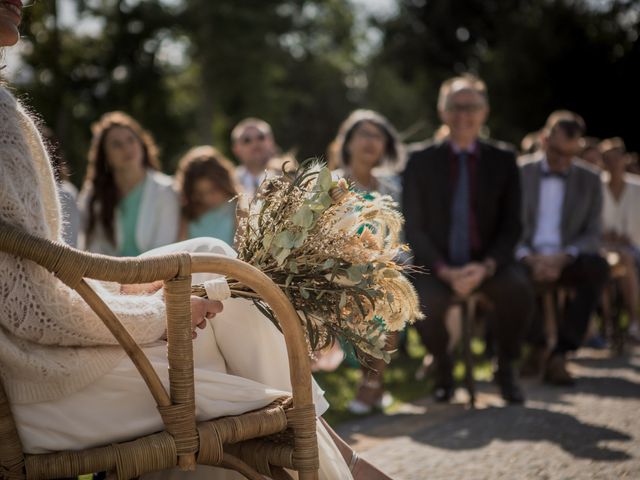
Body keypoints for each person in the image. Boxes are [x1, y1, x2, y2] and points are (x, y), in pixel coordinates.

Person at [0, 5, 389, 479]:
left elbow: (31, 279)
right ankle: (342, 463)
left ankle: (338, 459)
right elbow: (31, 307)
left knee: (213, 264)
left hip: (45, 353)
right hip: (41, 383)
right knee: (226, 324)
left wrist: (126, 292)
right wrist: (158, 313)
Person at [402, 74, 533, 404]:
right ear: (442, 112)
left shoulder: (503, 160)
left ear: (484, 111)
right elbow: (414, 227)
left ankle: (505, 368)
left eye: (471, 106)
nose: (463, 114)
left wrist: (486, 267)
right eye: (455, 107)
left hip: (488, 262)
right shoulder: (419, 161)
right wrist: (445, 270)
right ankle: (443, 368)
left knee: (518, 290)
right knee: (416, 298)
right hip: (437, 263)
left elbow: (512, 226)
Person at [517, 111, 609, 385]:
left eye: (571, 154)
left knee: (598, 269)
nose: (563, 161)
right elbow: (507, 226)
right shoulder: (520, 172)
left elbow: (594, 232)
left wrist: (563, 256)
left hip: (568, 257)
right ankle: (537, 344)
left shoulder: (591, 179)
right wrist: (528, 256)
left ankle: (561, 352)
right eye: (557, 152)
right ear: (544, 140)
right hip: (526, 254)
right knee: (507, 276)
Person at [328, 109, 405, 414]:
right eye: (364, 134)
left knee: (391, 294)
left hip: (386, 268)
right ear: (348, 142)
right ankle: (373, 383)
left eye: (378, 136)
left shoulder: (392, 187)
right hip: (338, 269)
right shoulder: (333, 184)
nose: (371, 142)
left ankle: (371, 383)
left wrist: (392, 262)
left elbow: (401, 233)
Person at [77, 111, 180, 256]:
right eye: (116, 145)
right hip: (106, 276)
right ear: (105, 156)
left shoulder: (166, 190)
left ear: (141, 144)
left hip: (156, 275)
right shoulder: (92, 196)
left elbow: (165, 248)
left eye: (131, 140)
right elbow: (90, 248)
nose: (126, 148)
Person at [599, 137, 640, 341]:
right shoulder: (596, 187)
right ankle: (608, 321)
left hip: (633, 247)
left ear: (624, 160)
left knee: (626, 259)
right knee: (603, 264)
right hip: (604, 247)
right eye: (608, 159)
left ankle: (633, 320)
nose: (613, 164)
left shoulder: (637, 188)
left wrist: (628, 238)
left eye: (616, 159)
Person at [175, 145, 238, 246]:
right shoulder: (188, 213)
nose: (207, 198)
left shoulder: (238, 209)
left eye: (213, 190)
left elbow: (243, 254)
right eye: (200, 194)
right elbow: (181, 248)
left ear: (224, 182)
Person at [230, 117, 279, 201]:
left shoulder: (293, 176)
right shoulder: (230, 183)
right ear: (236, 150)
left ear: (272, 142)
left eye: (261, 137)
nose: (255, 143)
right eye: (246, 140)